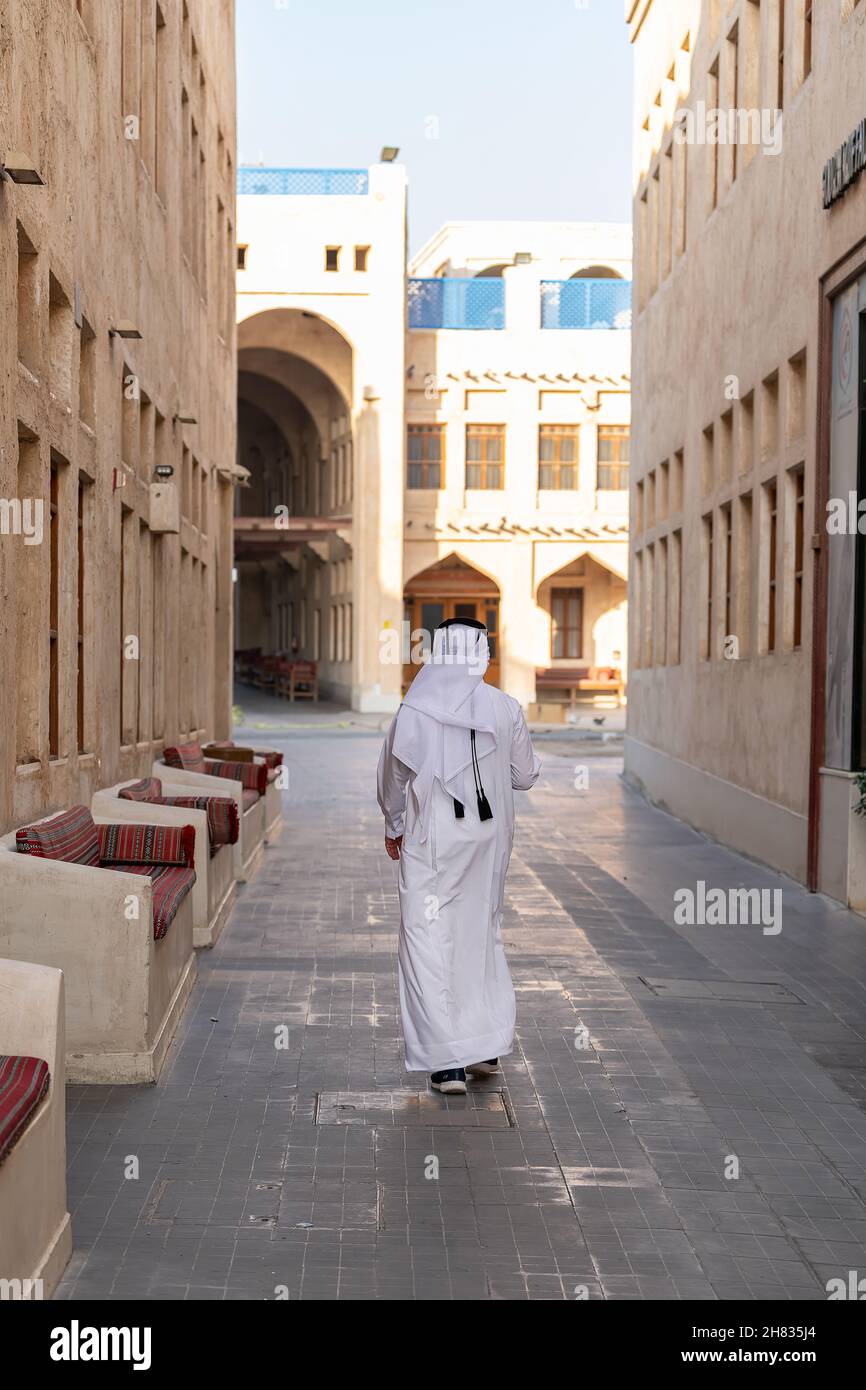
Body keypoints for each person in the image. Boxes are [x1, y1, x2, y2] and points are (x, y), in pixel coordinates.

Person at [377, 618, 541, 1095]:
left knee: (427, 938)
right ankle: (482, 1047)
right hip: (488, 845)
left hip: (432, 842)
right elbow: (526, 776)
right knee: (477, 935)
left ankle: (446, 1062)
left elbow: (393, 776)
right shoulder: (505, 707)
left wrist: (393, 825)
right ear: (482, 652)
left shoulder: (415, 709)